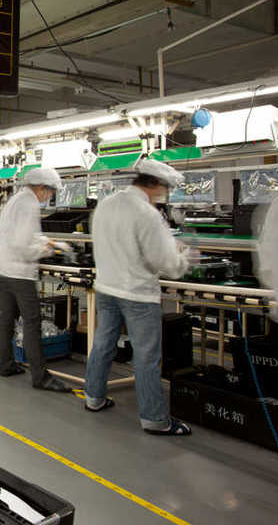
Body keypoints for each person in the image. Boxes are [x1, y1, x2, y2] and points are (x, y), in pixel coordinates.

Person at [85, 159, 192, 436]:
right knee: (146, 356)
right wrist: (184, 257)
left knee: (103, 344)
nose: (164, 194)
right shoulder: (147, 214)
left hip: (107, 287)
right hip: (138, 294)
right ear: (154, 184)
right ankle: (155, 419)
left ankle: (93, 398)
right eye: (165, 188)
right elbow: (165, 262)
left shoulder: (106, 204)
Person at [0, 168, 70, 392]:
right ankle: (41, 377)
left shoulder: (16, 200)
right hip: (19, 273)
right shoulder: (30, 204)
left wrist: (46, 241)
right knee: (32, 323)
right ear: (43, 188)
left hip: (3, 269)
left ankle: (5, 365)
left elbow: (22, 235)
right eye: (51, 193)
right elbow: (23, 245)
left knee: (6, 320)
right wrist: (47, 251)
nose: (50, 197)